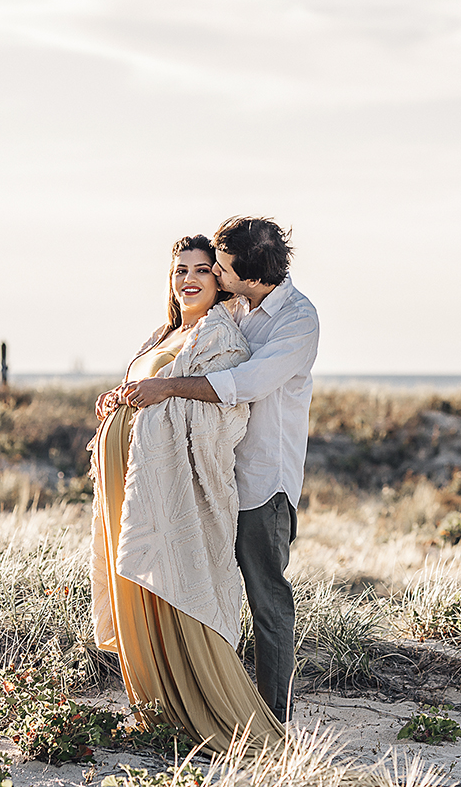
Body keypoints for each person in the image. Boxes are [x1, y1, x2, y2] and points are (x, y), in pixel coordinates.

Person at [90, 234, 285, 755]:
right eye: (180, 271)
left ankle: (201, 714)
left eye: (202, 269)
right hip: (136, 486)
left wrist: (156, 403)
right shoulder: (164, 336)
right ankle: (153, 710)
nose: (190, 279)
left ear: (219, 282)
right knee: (143, 595)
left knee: (178, 591)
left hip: (180, 490)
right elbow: (143, 388)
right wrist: (120, 402)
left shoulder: (221, 339)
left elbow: (226, 413)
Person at [119, 217, 319, 724]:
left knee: (265, 600)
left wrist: (167, 389)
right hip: (208, 478)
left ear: (248, 275)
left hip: (259, 481)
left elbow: (244, 382)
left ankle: (275, 718)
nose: (215, 275)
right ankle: (199, 699)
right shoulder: (237, 306)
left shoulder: (297, 320)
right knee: (203, 588)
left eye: (221, 269)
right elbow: (177, 346)